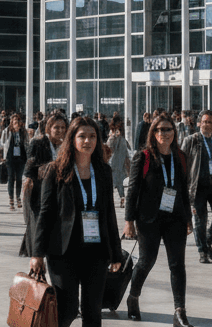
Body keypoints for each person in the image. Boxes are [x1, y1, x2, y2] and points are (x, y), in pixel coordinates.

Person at [30, 116, 123, 327]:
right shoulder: (55, 170)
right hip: (63, 252)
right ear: (72, 139)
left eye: (92, 136)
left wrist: (115, 253)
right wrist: (37, 254)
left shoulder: (103, 172)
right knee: (67, 309)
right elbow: (45, 213)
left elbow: (109, 214)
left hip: (96, 252)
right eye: (82, 136)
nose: (88, 141)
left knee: (93, 313)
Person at [124, 113, 193, 327]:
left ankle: (179, 311)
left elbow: (182, 190)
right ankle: (133, 297)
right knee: (146, 261)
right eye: (159, 130)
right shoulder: (143, 157)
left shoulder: (180, 157)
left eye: (167, 129)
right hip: (149, 218)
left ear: (174, 132)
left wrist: (188, 218)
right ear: (152, 133)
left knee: (177, 264)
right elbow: (133, 190)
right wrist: (129, 221)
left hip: (175, 218)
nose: (163, 133)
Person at [180, 109, 212, 264]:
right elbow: (181, 162)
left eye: (210, 122)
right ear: (199, 122)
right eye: (204, 121)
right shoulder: (191, 140)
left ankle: (209, 239)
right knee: (200, 220)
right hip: (197, 186)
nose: (207, 125)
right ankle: (202, 251)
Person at [20, 112, 68, 258]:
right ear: (48, 128)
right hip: (40, 192)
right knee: (38, 226)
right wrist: (50, 168)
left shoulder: (67, 145)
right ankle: (37, 256)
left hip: (60, 193)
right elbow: (29, 169)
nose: (60, 130)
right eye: (56, 127)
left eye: (63, 127)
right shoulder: (38, 142)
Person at [2, 112, 29, 211]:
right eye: (14, 121)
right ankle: (11, 199)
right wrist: (1, 157)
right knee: (11, 178)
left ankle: (18, 197)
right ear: (11, 122)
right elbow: (3, 144)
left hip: (21, 157)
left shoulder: (23, 131)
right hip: (10, 157)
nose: (16, 122)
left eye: (17, 120)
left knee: (19, 178)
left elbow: (27, 143)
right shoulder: (7, 131)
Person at [106, 118, 129, 208]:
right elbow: (127, 154)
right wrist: (128, 166)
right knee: (119, 184)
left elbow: (108, 149)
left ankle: (110, 200)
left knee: (110, 183)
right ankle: (122, 197)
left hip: (112, 164)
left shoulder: (112, 139)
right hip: (120, 164)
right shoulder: (123, 140)